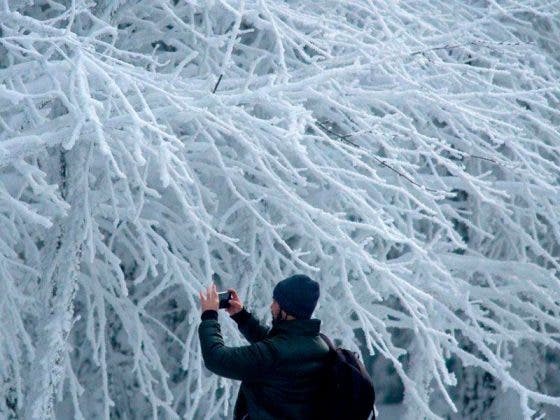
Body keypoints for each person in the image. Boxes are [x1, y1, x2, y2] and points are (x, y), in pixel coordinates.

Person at [198, 274, 329, 420]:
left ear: (286, 309)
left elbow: (216, 358)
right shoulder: (319, 344)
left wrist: (209, 316)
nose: (271, 306)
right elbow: (280, 346)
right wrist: (242, 317)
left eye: (275, 301)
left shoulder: (275, 353)